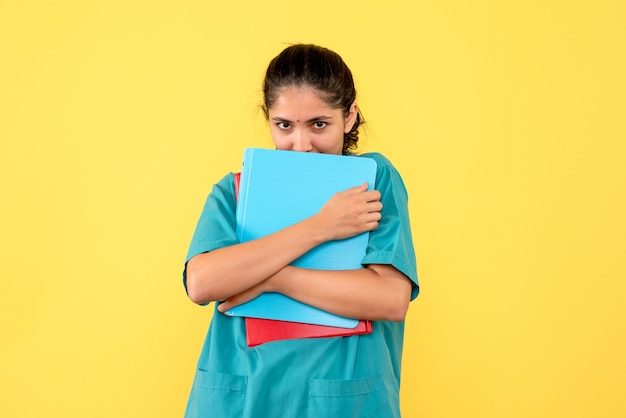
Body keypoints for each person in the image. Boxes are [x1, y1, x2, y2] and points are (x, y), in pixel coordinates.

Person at [182, 44, 419, 418]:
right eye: (284, 125)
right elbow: (201, 283)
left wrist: (272, 280)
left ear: (350, 117)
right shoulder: (235, 191)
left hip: (342, 397)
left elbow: (389, 299)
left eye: (319, 124)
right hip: (240, 396)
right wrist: (320, 227)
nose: (301, 145)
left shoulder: (373, 182)